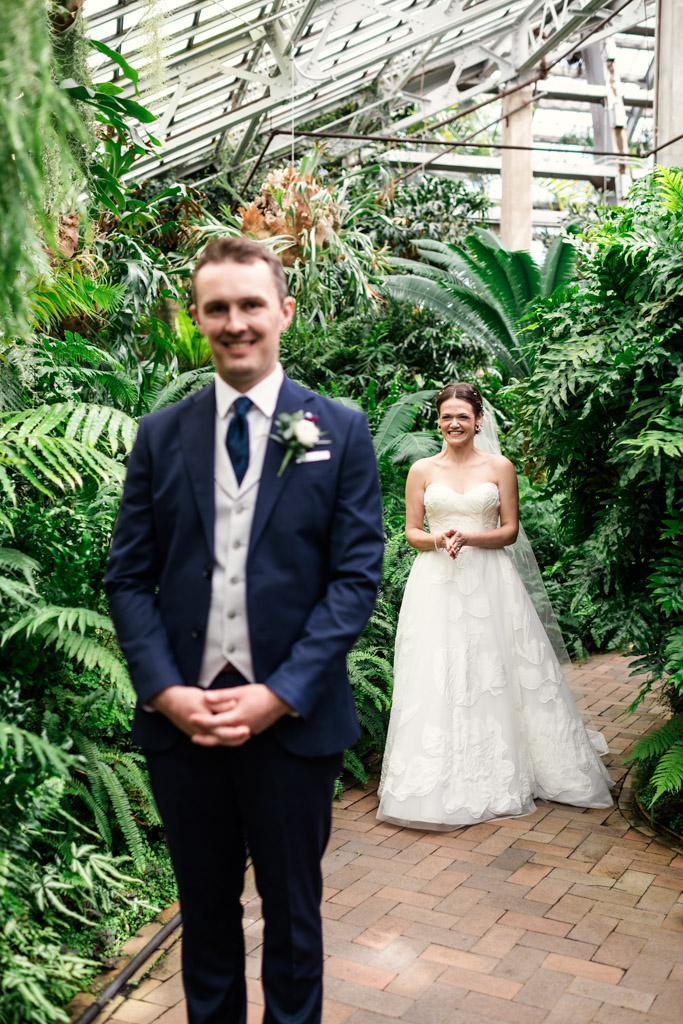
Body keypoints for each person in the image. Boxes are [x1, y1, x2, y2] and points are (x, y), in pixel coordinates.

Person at [105, 237, 384, 1024]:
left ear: (283, 312)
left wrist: (281, 693)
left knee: (294, 916)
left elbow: (354, 577)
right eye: (217, 307)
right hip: (183, 727)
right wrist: (163, 690)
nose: (235, 322)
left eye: (250, 304)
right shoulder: (161, 435)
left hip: (292, 725)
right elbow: (128, 576)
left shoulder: (340, 429)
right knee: (205, 914)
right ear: (197, 318)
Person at [377, 382, 612, 830]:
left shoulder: (499, 466)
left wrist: (469, 538)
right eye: (446, 416)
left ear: (478, 420)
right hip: (437, 580)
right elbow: (411, 531)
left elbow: (508, 530)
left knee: (496, 667)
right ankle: (441, 776)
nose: (454, 423)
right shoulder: (422, 470)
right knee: (440, 669)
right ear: (438, 421)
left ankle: (508, 764)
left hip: (491, 580)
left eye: (462, 416)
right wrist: (437, 538)